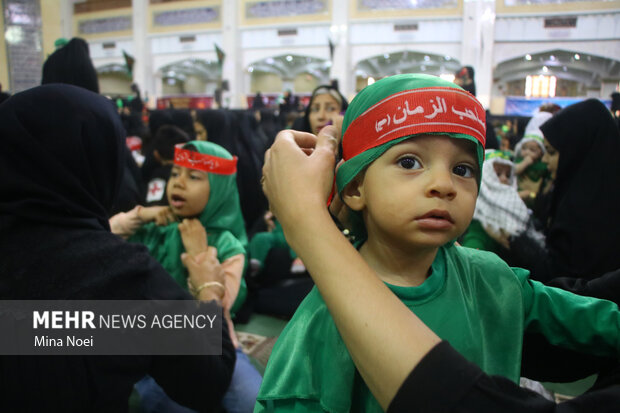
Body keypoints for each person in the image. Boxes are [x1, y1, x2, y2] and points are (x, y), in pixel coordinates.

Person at [254, 74, 620, 413]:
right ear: (353, 187)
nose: (443, 184)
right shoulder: (323, 322)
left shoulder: (491, 279)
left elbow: (592, 320)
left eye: (463, 169)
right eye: (410, 161)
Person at [0, 84, 235, 411]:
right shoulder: (118, 279)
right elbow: (207, 380)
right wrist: (209, 290)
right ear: (100, 160)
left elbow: (28, 331)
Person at [110, 141, 261, 413]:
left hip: (216, 344)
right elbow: (100, 242)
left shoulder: (228, 244)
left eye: (194, 177)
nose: (178, 183)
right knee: (168, 405)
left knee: (253, 402)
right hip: (159, 349)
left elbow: (224, 304)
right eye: (175, 173)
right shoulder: (156, 229)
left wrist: (199, 254)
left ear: (218, 189)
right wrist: (141, 215)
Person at [461, 150, 529, 255]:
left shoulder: (519, 204)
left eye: (507, 175)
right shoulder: (480, 214)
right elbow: (474, 243)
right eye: (497, 174)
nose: (504, 179)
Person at [514, 111, 551, 206]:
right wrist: (525, 163)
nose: (527, 152)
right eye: (524, 148)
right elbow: (514, 171)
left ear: (541, 153)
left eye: (532, 150)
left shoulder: (543, 164)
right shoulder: (520, 161)